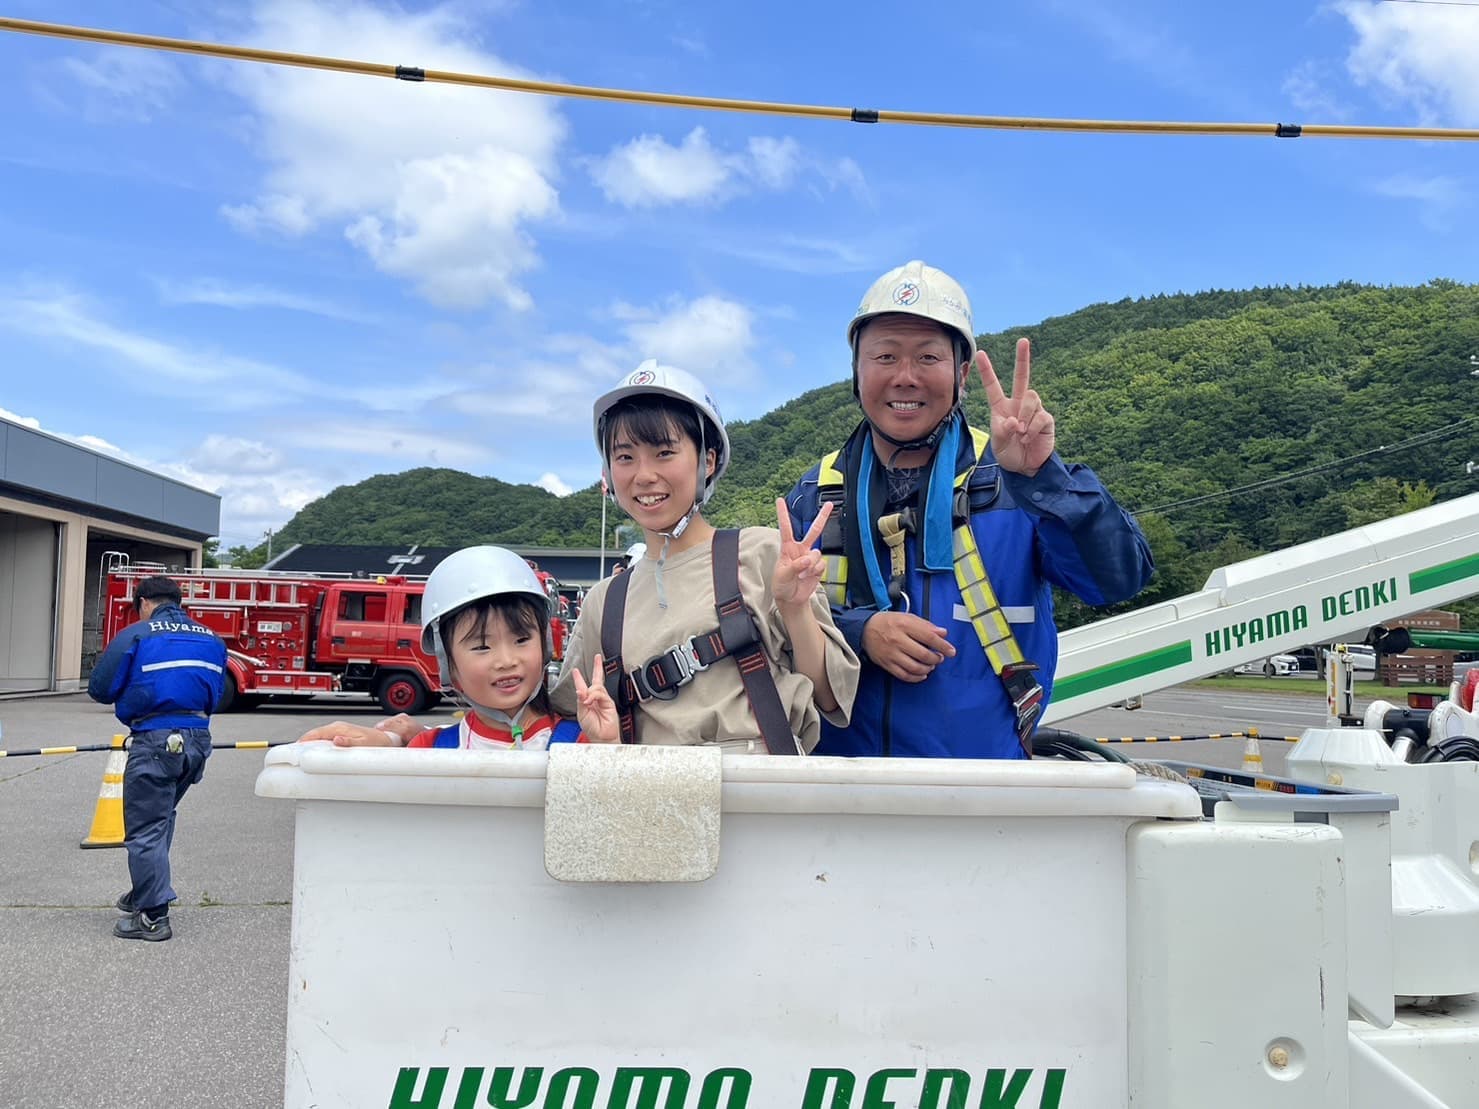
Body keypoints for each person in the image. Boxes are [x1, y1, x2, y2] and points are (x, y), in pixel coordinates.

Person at [786, 260, 1154, 760]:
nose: (905, 377)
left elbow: (1118, 580)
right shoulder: (816, 495)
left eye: (928, 357)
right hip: (842, 786)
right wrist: (861, 632)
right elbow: (778, 625)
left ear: (961, 374)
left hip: (986, 787)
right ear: (857, 369)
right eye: (885, 356)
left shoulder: (1012, 481)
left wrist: (1043, 478)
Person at [548, 360, 859, 752]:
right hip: (651, 785)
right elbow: (564, 716)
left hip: (761, 782)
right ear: (608, 472)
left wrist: (794, 608)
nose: (644, 475)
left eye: (664, 452)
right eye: (625, 457)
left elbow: (830, 697)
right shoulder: (603, 602)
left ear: (707, 461)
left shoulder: (761, 554)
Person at [299, 546, 618, 748]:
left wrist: (608, 746)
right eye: (482, 646)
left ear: (545, 644)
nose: (506, 660)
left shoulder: (581, 741)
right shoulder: (429, 748)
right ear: (446, 661)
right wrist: (380, 744)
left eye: (521, 640)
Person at [87, 574, 226, 942]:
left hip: (155, 740)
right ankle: (145, 890)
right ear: (179, 602)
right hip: (197, 742)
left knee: (147, 827)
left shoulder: (137, 634)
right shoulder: (212, 639)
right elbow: (215, 693)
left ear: (145, 603)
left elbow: (100, 689)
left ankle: (153, 916)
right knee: (160, 818)